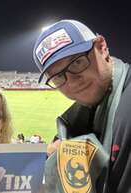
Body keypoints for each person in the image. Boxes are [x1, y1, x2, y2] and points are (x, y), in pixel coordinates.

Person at [33, 19, 130, 193]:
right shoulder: (83, 115)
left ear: (101, 47)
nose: (71, 83)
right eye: (57, 77)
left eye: (77, 62)